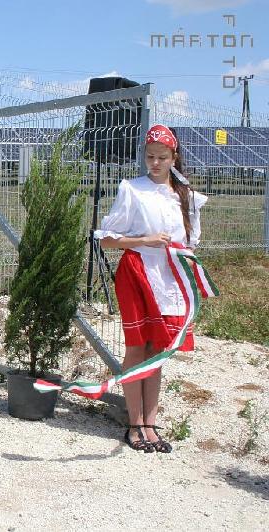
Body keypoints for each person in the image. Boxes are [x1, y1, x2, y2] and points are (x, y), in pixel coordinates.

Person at [95, 124, 207, 454]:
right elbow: (108, 239)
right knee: (136, 347)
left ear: (174, 157)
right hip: (137, 272)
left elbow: (191, 242)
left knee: (157, 349)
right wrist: (145, 240)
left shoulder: (185, 195)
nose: (155, 164)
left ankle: (150, 425)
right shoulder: (132, 189)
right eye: (150, 157)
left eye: (162, 158)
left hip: (169, 277)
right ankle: (134, 424)